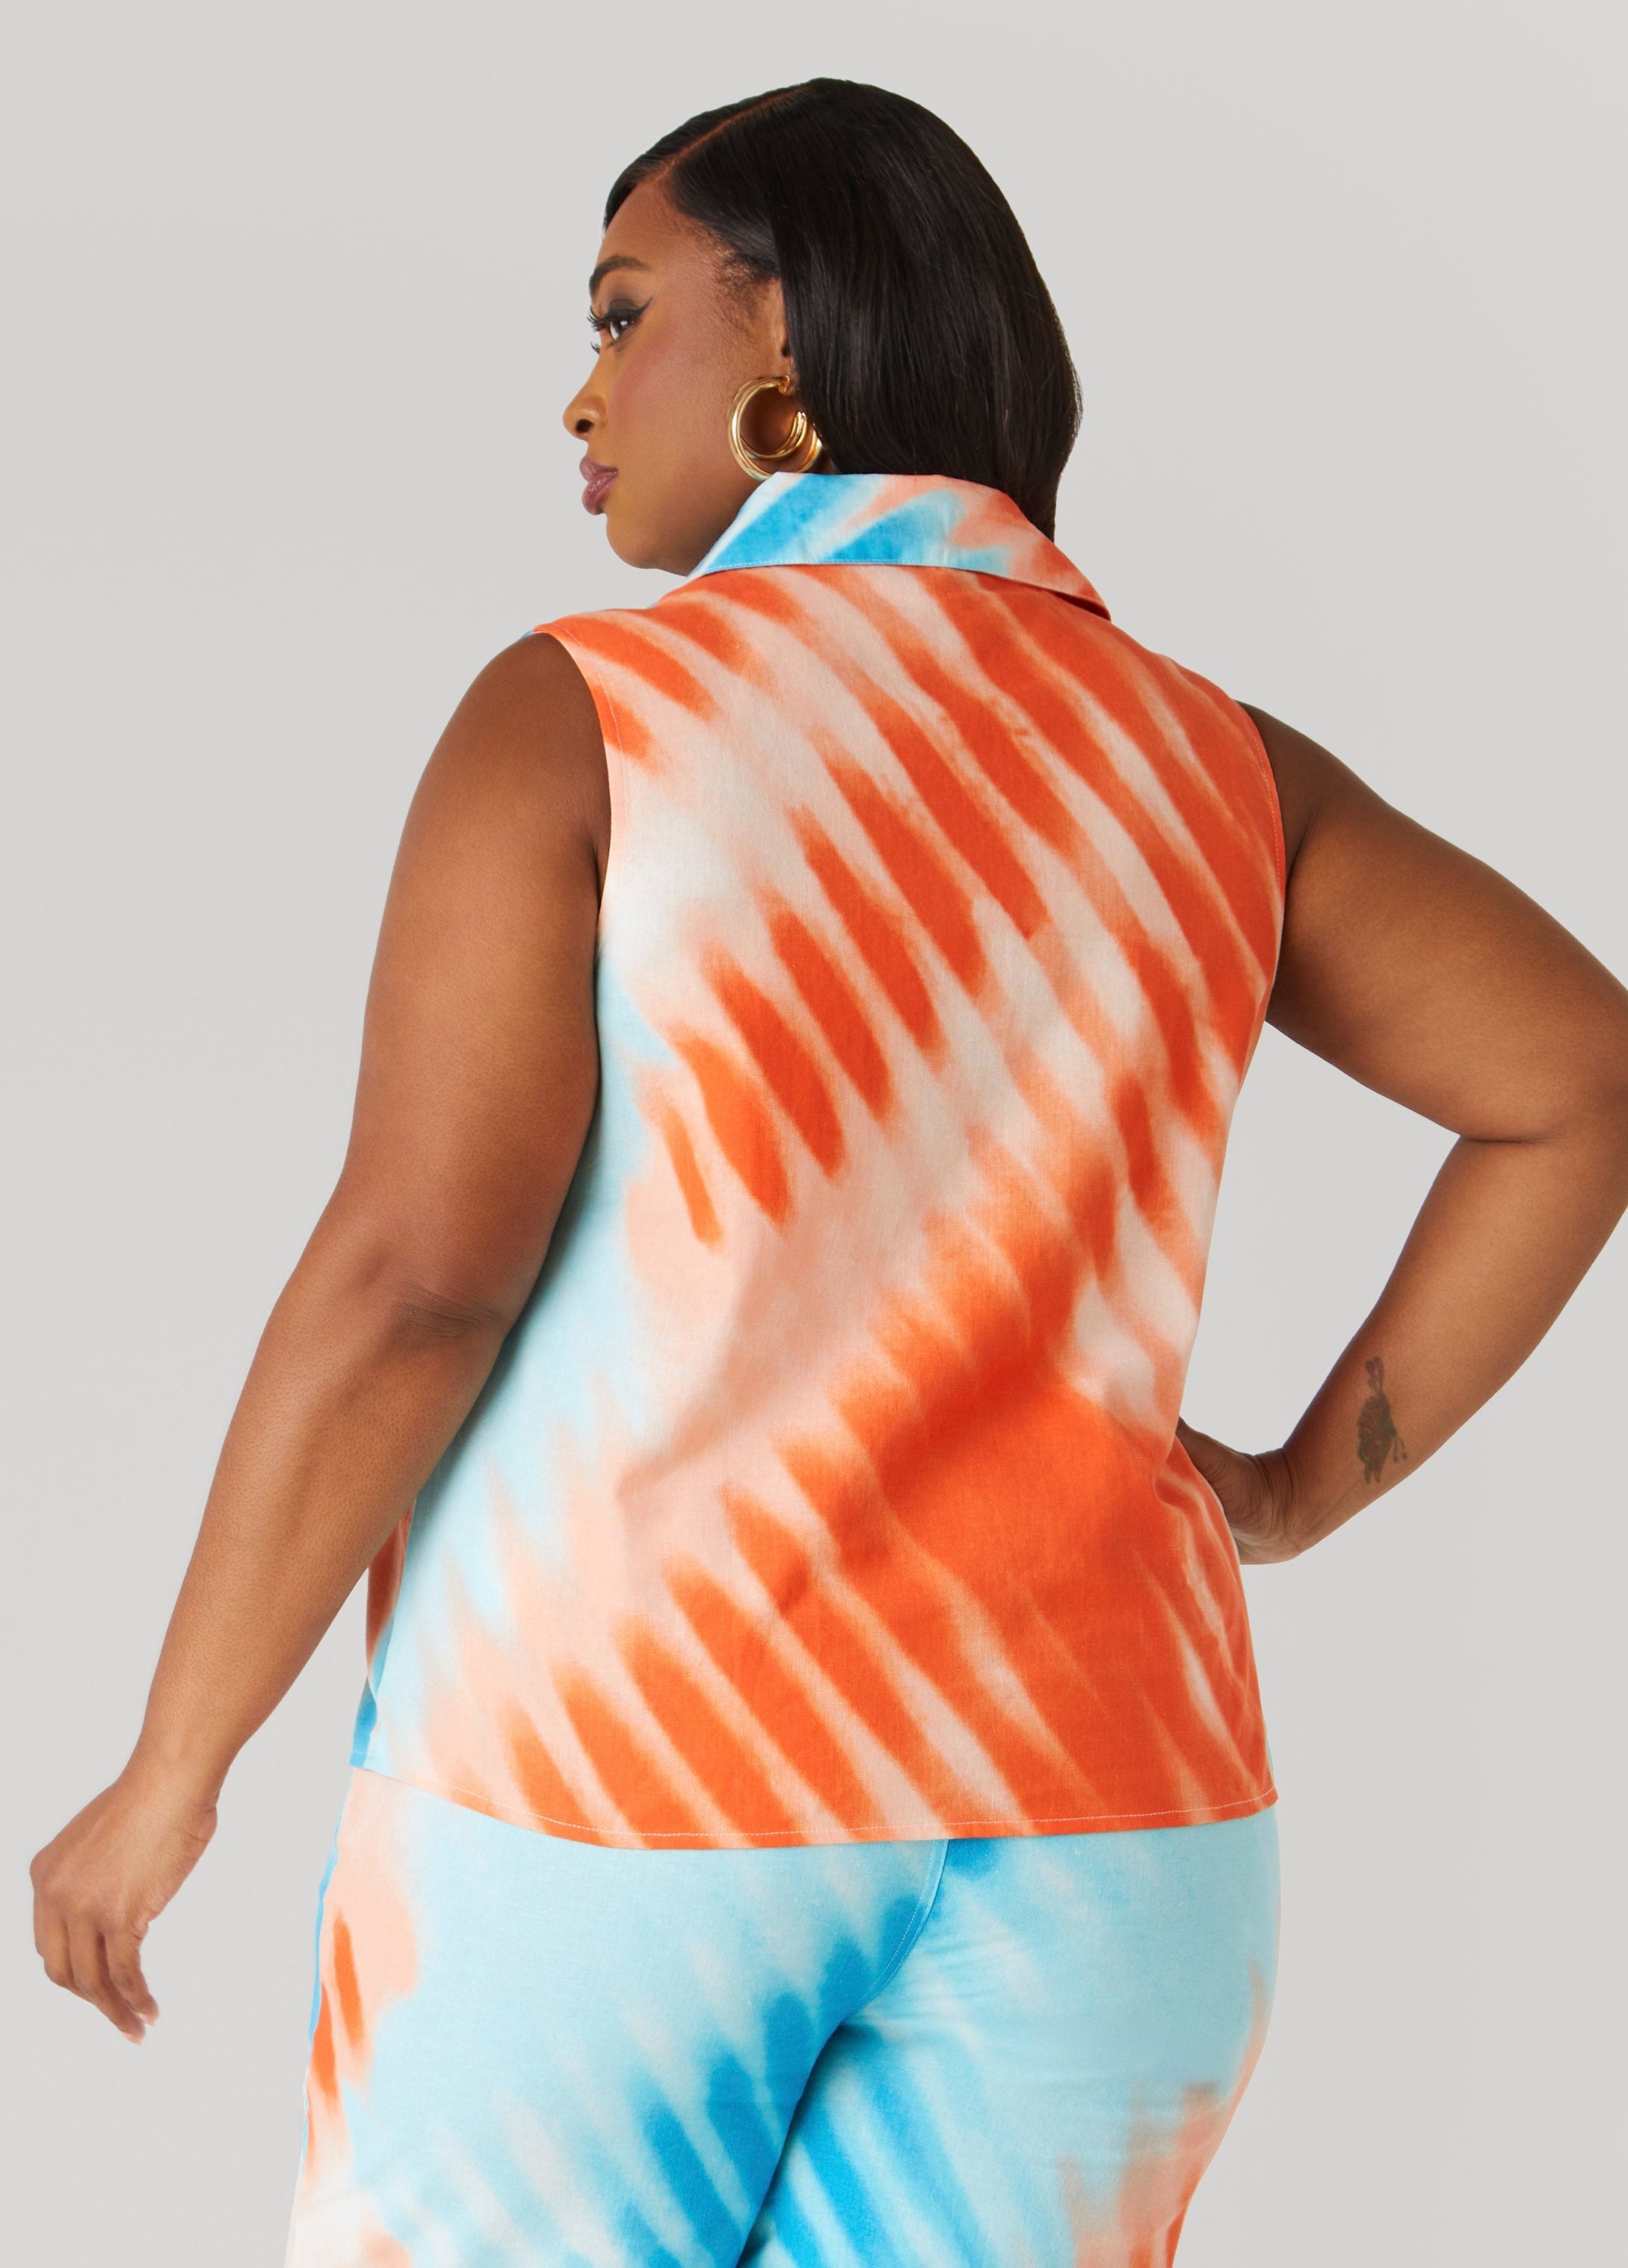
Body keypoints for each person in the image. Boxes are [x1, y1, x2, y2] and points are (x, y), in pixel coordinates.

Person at [28, 75, 1628, 2268]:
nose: (582, 391)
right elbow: (1577, 1080)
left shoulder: (592, 713)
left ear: (784, 331)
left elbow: (418, 1280)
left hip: (624, 1797)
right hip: (1113, 1824)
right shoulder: (1216, 760)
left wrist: (173, 1766)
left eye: (624, 313)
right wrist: (1282, 1496)